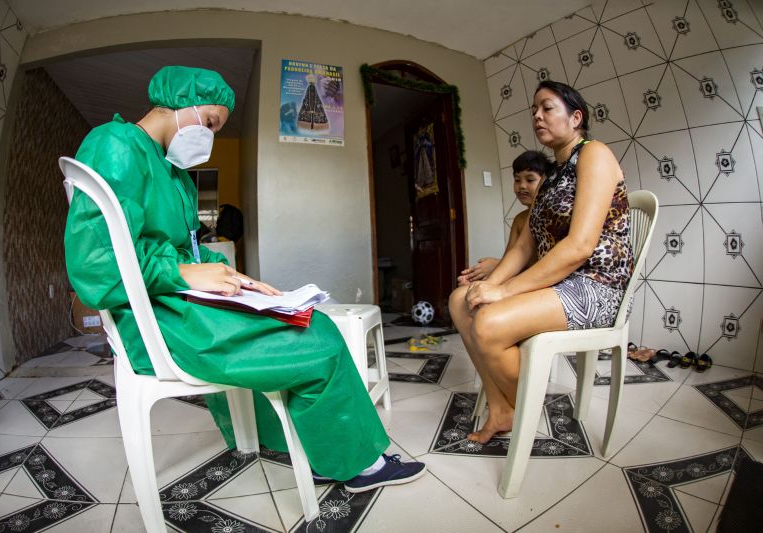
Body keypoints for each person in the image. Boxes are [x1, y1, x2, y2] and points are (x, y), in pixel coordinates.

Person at [64, 66, 425, 492]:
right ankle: (356, 464)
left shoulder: (175, 175)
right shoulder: (115, 145)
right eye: (211, 123)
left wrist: (233, 277)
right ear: (181, 102)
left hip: (173, 303)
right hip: (153, 321)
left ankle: (324, 450)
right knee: (318, 335)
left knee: (298, 316)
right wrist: (182, 272)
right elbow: (96, 265)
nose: (210, 138)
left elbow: (179, 252)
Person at [449, 80, 633, 443]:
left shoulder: (594, 154)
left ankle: (526, 407)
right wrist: (491, 285)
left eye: (547, 108)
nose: (537, 116)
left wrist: (504, 293)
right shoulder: (550, 181)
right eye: (534, 110)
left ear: (575, 117)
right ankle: (502, 412)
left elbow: (580, 246)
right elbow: (521, 248)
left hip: (596, 286)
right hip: (559, 284)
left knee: (487, 323)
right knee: (460, 301)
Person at [457, 150, 551, 285]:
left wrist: (495, 265)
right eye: (517, 180)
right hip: (519, 278)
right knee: (463, 291)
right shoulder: (519, 220)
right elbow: (510, 258)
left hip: (542, 281)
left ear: (545, 182)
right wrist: (480, 278)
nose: (522, 186)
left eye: (530, 180)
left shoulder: (551, 216)